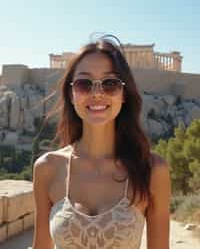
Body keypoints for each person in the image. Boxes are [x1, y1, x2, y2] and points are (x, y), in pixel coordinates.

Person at [32, 35, 171, 249]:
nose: (97, 94)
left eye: (110, 84)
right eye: (84, 84)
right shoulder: (47, 168)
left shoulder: (152, 170)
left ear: (124, 93)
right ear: (71, 94)